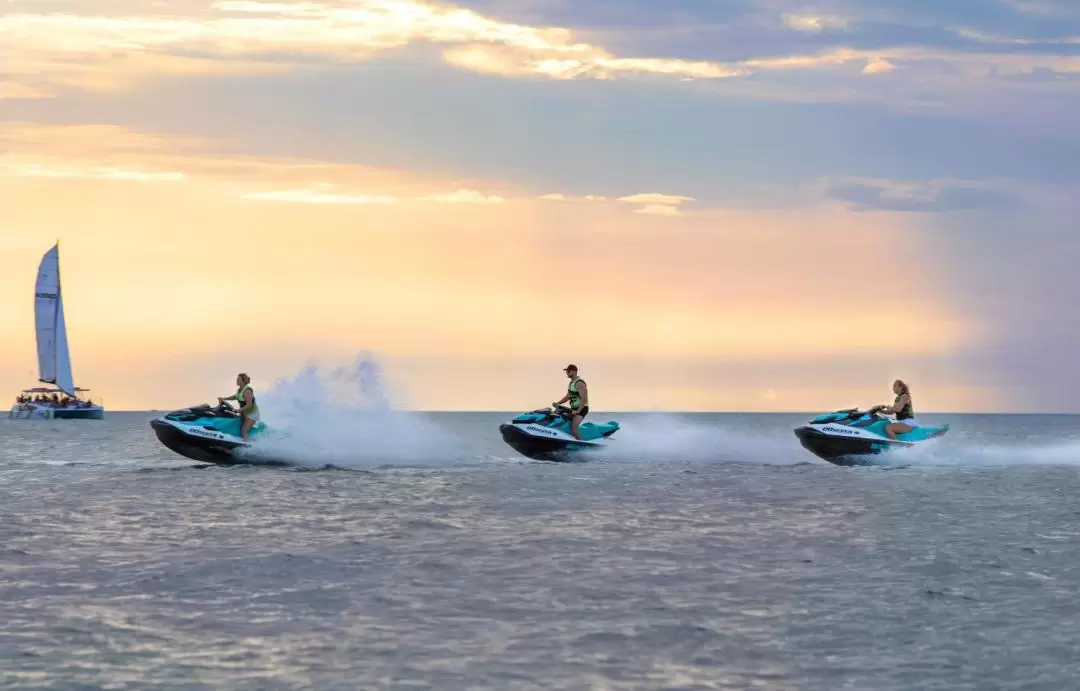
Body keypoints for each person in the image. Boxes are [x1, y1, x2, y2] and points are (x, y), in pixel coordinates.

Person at [218, 373, 260, 441]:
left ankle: (247, 445)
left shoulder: (247, 391)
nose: (236, 381)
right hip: (244, 412)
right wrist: (224, 398)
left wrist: (239, 410)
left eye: (238, 379)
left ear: (243, 381)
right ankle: (243, 439)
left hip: (252, 414)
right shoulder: (240, 389)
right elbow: (236, 396)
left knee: (244, 430)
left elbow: (249, 405)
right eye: (237, 379)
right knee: (239, 426)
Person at [553, 364, 589, 440]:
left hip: (582, 409)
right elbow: (567, 397)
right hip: (574, 409)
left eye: (568, 371)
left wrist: (578, 411)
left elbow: (584, 399)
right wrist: (558, 403)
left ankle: (581, 445)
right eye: (566, 371)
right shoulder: (571, 383)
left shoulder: (579, 383)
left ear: (574, 371)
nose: (567, 372)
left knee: (573, 427)